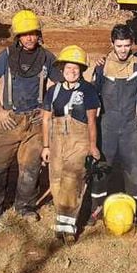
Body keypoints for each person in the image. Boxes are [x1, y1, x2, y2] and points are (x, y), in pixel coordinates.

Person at [0, 10, 61, 223]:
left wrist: (49, 110)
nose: (29, 38)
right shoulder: (7, 56)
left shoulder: (47, 57)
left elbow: (62, 84)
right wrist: (0, 112)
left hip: (36, 121)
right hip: (10, 119)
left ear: (39, 34)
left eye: (33, 33)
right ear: (17, 36)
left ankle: (25, 207)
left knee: (31, 167)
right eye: (24, 34)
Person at [90, 24, 137, 227]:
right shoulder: (101, 66)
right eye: (119, 45)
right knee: (101, 169)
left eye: (126, 45)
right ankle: (95, 211)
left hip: (129, 128)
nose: (123, 49)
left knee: (134, 169)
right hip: (106, 126)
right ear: (112, 44)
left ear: (132, 44)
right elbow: (92, 98)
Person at [40, 45, 101, 243]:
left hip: (79, 140)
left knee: (72, 182)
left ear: (82, 70)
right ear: (61, 69)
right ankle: (60, 224)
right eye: (68, 68)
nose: (72, 72)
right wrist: (46, 146)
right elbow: (46, 119)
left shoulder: (89, 90)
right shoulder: (53, 91)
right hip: (57, 141)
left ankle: (70, 227)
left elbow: (92, 121)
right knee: (56, 181)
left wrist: (93, 146)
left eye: (76, 68)